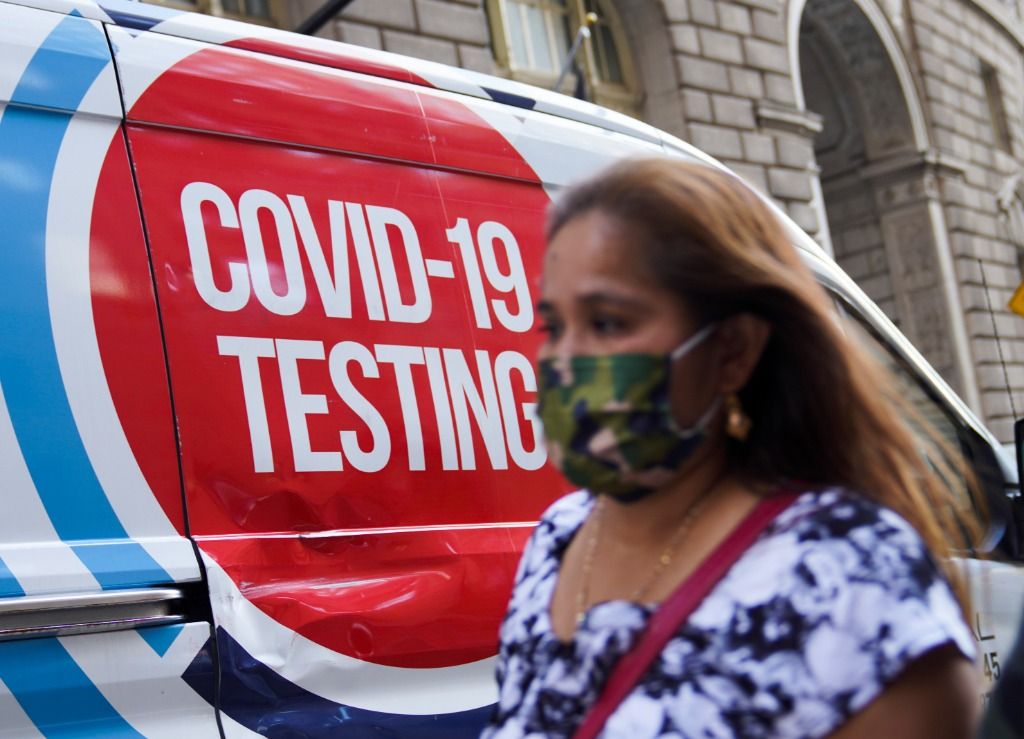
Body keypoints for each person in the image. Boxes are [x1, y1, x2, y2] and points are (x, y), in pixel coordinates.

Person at [481, 158, 981, 738]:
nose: (565, 360)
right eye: (553, 327)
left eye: (609, 323)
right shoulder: (557, 539)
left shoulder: (853, 579)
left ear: (733, 350)